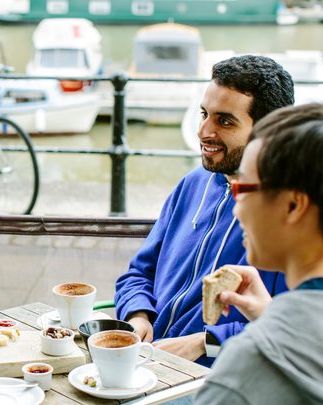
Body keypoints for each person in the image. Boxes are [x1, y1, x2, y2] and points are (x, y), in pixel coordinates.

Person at [114, 55, 294, 365]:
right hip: (146, 363)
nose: (203, 131)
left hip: (216, 380)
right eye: (204, 114)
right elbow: (139, 273)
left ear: (267, 131)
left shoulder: (291, 215)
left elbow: (296, 329)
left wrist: (208, 342)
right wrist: (138, 315)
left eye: (224, 120)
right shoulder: (192, 183)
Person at [194, 103, 323, 404]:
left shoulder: (249, 366)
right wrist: (268, 315)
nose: (236, 209)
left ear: (293, 206)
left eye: (243, 189)